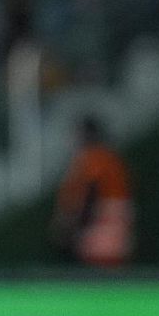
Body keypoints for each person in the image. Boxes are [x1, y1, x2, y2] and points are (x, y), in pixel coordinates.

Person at [50, 114, 133, 267]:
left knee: (98, 273)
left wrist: (76, 224)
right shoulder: (103, 158)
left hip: (102, 224)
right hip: (108, 224)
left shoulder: (95, 158)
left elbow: (91, 193)